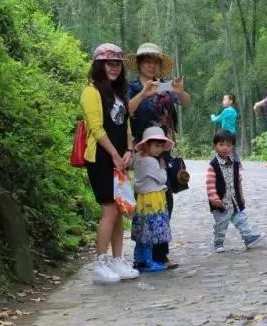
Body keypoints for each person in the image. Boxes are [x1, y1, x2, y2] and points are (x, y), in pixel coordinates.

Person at [126, 43, 191, 269]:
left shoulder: (165, 87)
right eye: (147, 61)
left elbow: (185, 103)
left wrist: (179, 91)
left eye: (156, 62)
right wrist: (144, 93)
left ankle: (160, 253)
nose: (152, 66)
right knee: (145, 200)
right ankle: (143, 255)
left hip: (164, 148)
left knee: (166, 200)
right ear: (140, 64)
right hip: (143, 150)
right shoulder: (133, 87)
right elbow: (127, 110)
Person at [80, 43, 139, 284]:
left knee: (119, 211)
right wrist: (115, 154)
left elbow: (124, 125)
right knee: (109, 210)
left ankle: (117, 259)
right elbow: (96, 127)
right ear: (98, 65)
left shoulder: (118, 94)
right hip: (102, 158)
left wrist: (128, 150)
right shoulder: (91, 92)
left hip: (119, 157)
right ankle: (100, 263)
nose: (114, 68)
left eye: (117, 64)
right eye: (109, 63)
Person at [206, 129, 265, 253]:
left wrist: (241, 196)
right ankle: (218, 243)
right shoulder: (213, 165)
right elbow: (210, 184)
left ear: (233, 147)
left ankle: (248, 238)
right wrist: (214, 199)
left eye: (228, 145)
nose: (225, 148)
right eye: (221, 145)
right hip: (221, 202)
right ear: (215, 146)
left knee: (241, 219)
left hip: (235, 200)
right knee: (221, 224)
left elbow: (238, 180)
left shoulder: (235, 163)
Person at [131, 127, 174, 272]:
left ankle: (140, 260)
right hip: (153, 198)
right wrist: (162, 168)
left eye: (161, 146)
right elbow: (162, 178)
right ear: (147, 145)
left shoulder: (138, 157)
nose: (159, 149)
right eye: (155, 145)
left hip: (142, 198)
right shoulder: (151, 161)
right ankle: (149, 261)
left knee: (143, 229)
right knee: (152, 229)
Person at [210, 93, 239, 161]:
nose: (223, 101)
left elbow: (217, 119)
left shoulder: (227, 110)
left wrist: (212, 116)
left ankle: (216, 161)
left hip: (226, 133)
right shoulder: (234, 111)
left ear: (230, 101)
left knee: (219, 146)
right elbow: (224, 120)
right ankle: (238, 164)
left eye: (225, 99)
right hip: (232, 133)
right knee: (232, 149)